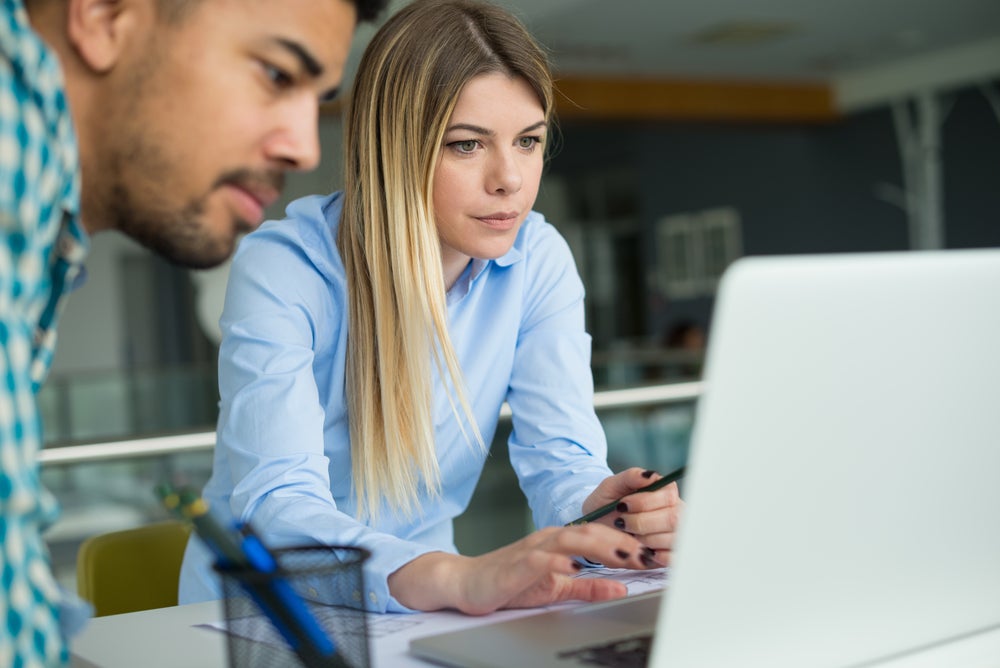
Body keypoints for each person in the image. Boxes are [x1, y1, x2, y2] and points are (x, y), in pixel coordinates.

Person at [179, 0, 683, 615]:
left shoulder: (538, 258)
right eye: (468, 146)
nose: (510, 180)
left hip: (426, 605)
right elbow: (281, 507)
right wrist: (455, 579)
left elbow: (562, 459)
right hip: (264, 615)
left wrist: (605, 507)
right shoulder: (284, 268)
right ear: (396, 149)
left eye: (528, 142)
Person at [1, 0, 387, 664]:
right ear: (101, 13)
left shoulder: (45, 217)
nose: (304, 146)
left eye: (317, 98)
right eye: (274, 74)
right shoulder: (14, 141)